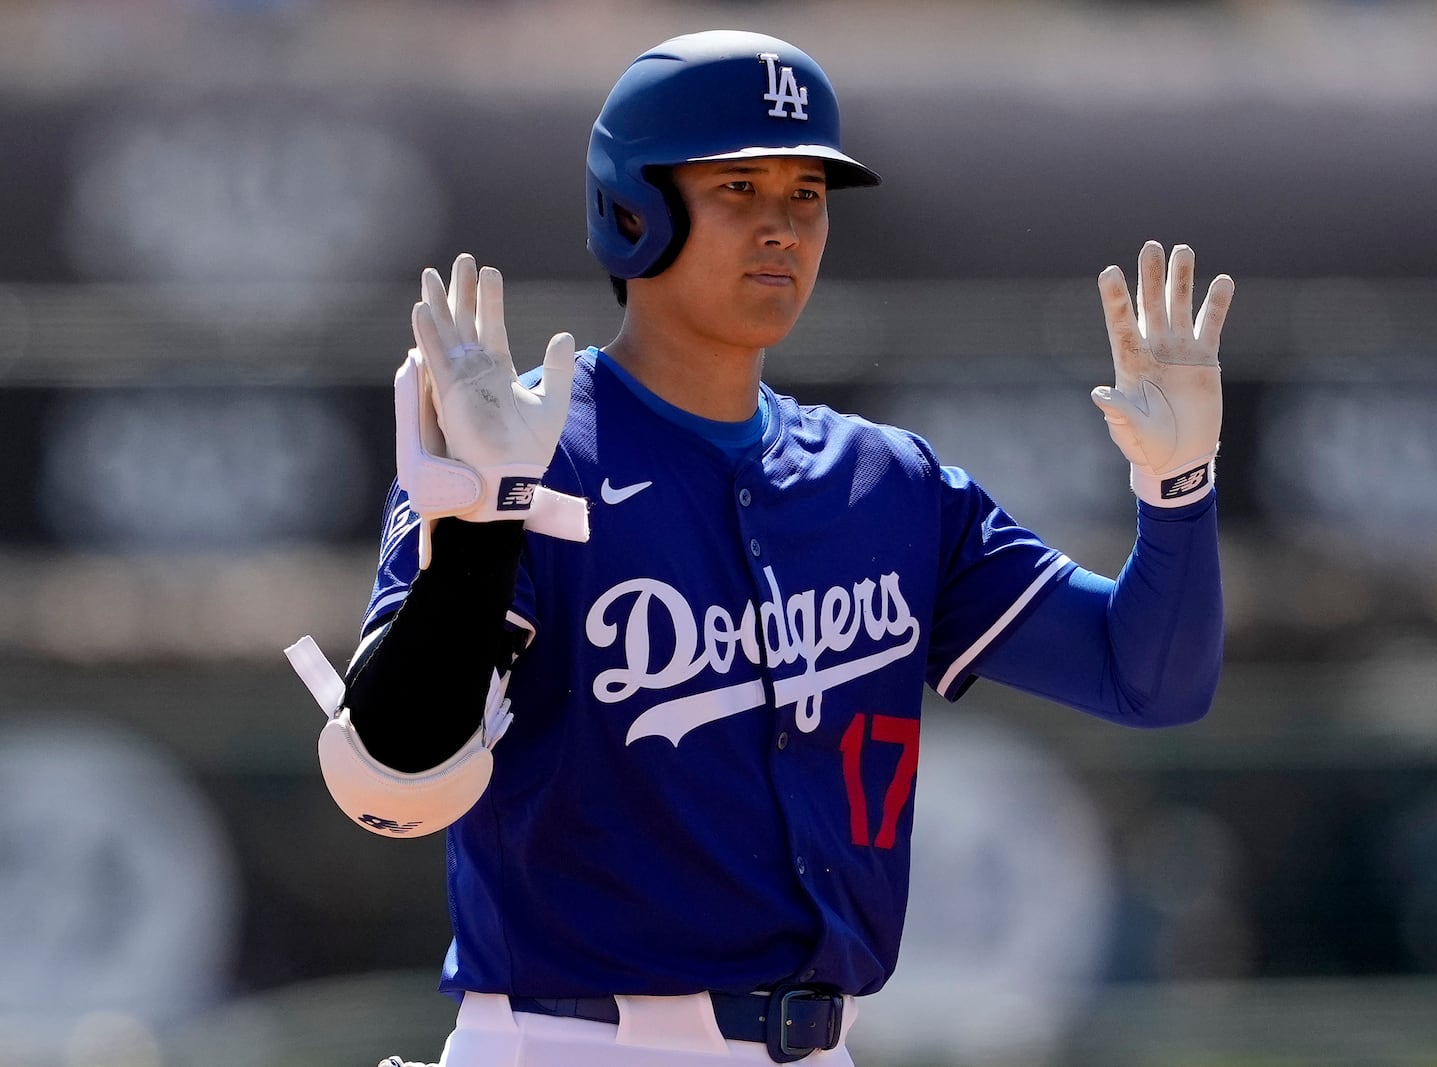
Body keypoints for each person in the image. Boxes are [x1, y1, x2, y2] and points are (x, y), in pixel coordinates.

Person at [286, 28, 1233, 1067]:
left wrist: (1177, 488)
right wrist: (482, 526)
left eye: (806, 195)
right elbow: (390, 784)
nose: (782, 226)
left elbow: (1147, 678)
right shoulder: (524, 451)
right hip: (573, 1042)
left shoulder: (889, 483)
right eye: (738, 188)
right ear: (634, 208)